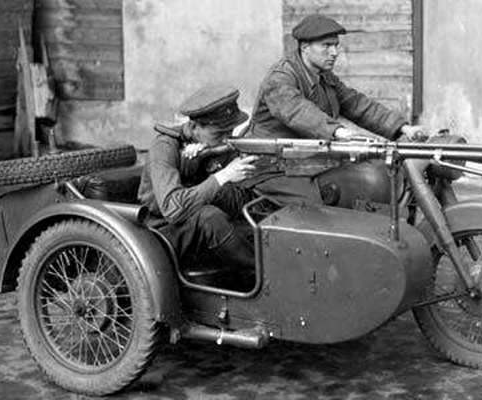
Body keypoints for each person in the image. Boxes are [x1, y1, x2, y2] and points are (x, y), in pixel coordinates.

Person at [246, 14, 427, 203]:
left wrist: (403, 128)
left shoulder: (324, 76)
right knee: (321, 209)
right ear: (305, 47)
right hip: (272, 168)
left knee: (376, 176)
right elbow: (297, 111)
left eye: (336, 45)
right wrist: (338, 132)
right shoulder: (280, 78)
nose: (334, 52)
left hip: (308, 162)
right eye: (326, 45)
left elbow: (357, 104)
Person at [137, 84, 257, 280]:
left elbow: (238, 205)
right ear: (194, 127)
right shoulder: (164, 146)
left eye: (230, 132)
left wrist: (209, 167)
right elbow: (173, 209)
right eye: (218, 134)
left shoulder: (214, 147)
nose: (226, 140)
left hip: (197, 229)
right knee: (210, 217)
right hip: (159, 232)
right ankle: (265, 276)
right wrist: (221, 177)